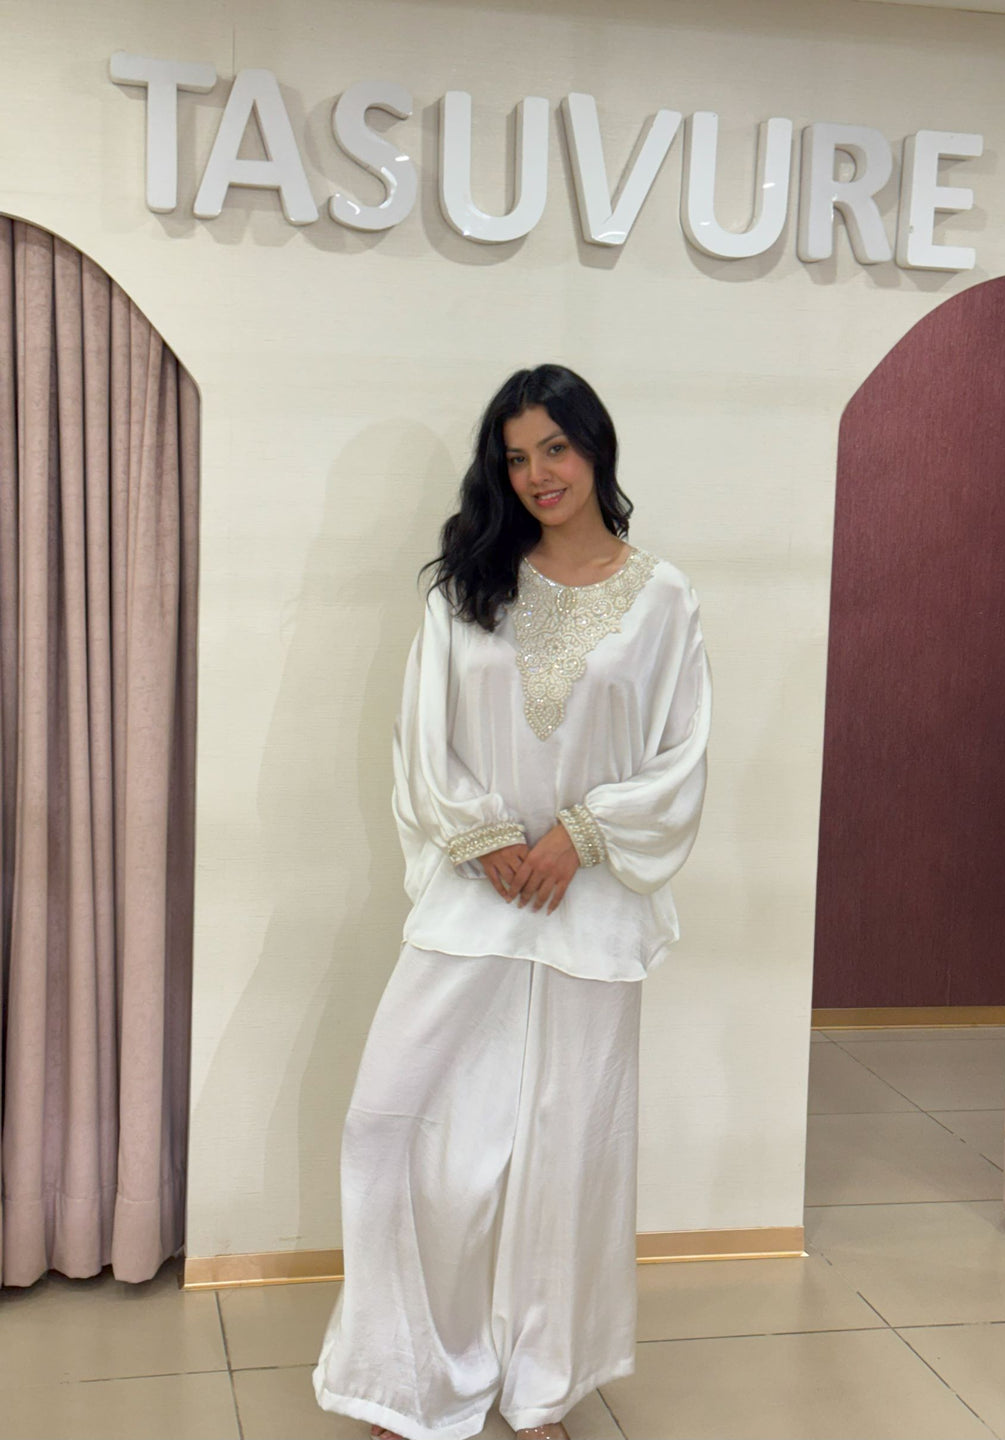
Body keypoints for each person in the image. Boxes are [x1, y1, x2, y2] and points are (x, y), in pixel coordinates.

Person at [312, 364, 712, 1440]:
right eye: (517, 456)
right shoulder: (467, 586)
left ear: (596, 447)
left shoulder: (664, 598)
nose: (538, 473)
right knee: (394, 1124)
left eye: (556, 448)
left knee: (567, 1156)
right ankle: (408, 1375)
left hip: (591, 911)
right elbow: (422, 735)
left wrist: (582, 835)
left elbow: (682, 755)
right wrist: (482, 834)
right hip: (475, 897)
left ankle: (542, 1387)